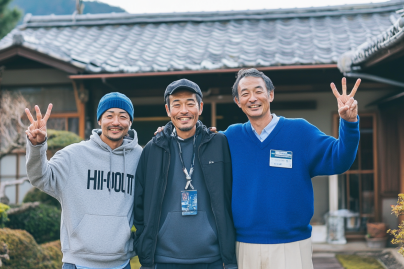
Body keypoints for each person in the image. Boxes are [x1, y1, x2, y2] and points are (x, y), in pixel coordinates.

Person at [221, 68, 360, 269]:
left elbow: (339, 158)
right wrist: (168, 134)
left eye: (258, 91)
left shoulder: (300, 131)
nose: (252, 98)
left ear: (271, 94)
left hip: (293, 244)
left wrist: (349, 123)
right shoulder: (230, 137)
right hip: (243, 244)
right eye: (245, 94)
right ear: (237, 101)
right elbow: (198, 148)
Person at [25, 92, 143, 269]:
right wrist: (37, 147)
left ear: (130, 122)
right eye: (109, 116)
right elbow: (40, 177)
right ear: (99, 120)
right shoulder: (74, 155)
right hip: (77, 262)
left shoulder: (140, 157)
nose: (116, 122)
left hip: (121, 263)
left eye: (123, 116)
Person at [134, 79, 238, 269]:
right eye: (177, 104)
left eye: (190, 103)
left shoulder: (219, 144)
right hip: (163, 259)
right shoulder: (153, 149)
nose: (184, 111)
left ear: (200, 107)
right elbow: (139, 204)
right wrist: (144, 244)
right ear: (167, 110)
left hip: (212, 258)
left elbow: (233, 191)